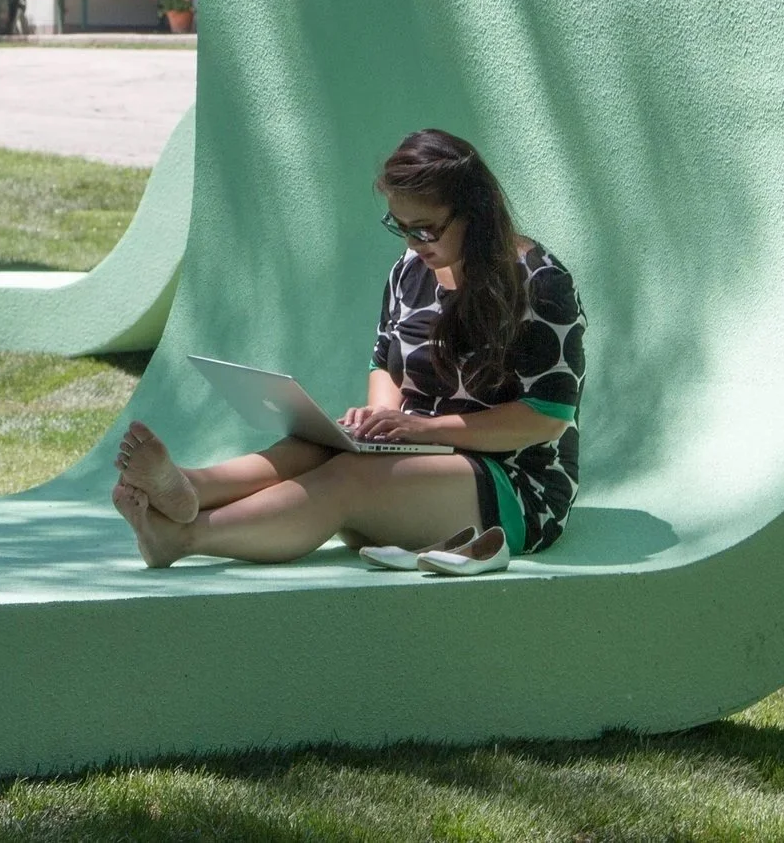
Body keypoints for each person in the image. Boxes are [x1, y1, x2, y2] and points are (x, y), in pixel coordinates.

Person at [111, 128, 585, 571]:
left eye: (426, 229)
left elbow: (545, 416)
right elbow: (385, 364)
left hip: (514, 482)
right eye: (400, 226)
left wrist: (422, 427)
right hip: (423, 452)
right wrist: (380, 420)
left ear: (476, 214)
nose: (412, 242)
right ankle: (189, 486)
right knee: (312, 447)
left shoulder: (539, 281)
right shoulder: (410, 270)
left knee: (348, 479)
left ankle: (185, 538)